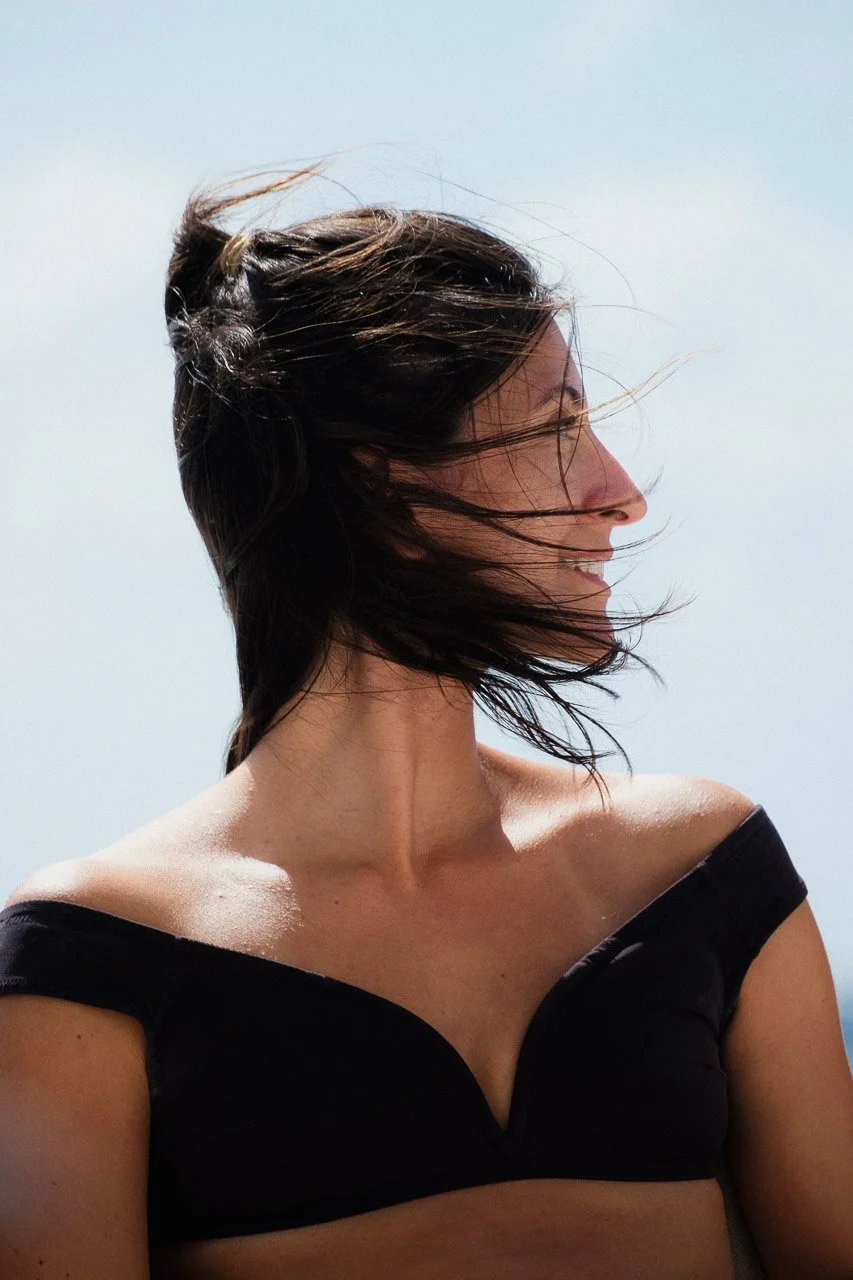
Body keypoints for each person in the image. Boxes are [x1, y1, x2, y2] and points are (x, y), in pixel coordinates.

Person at [1, 157, 851, 1280]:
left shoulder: (703, 870)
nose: (618, 492)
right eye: (558, 427)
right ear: (385, 486)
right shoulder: (95, 955)